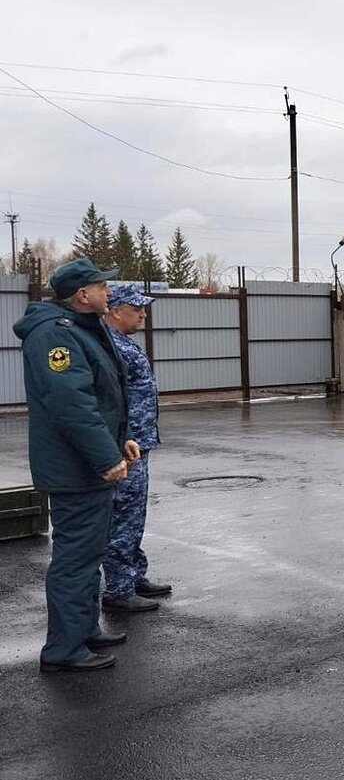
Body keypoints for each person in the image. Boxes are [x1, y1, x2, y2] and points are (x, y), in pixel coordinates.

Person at [13, 258, 139, 672]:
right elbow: (71, 404)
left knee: (89, 552)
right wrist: (106, 457)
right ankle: (63, 649)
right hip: (76, 469)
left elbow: (99, 398)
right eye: (103, 287)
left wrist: (121, 443)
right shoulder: (54, 335)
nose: (109, 293)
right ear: (82, 294)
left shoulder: (84, 328)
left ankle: (84, 629)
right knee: (74, 559)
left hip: (87, 463)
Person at [101, 285, 171, 614]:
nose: (143, 314)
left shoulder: (123, 343)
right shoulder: (110, 346)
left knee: (134, 514)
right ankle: (118, 589)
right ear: (115, 310)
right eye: (136, 308)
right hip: (126, 446)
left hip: (138, 442)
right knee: (123, 516)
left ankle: (133, 575)